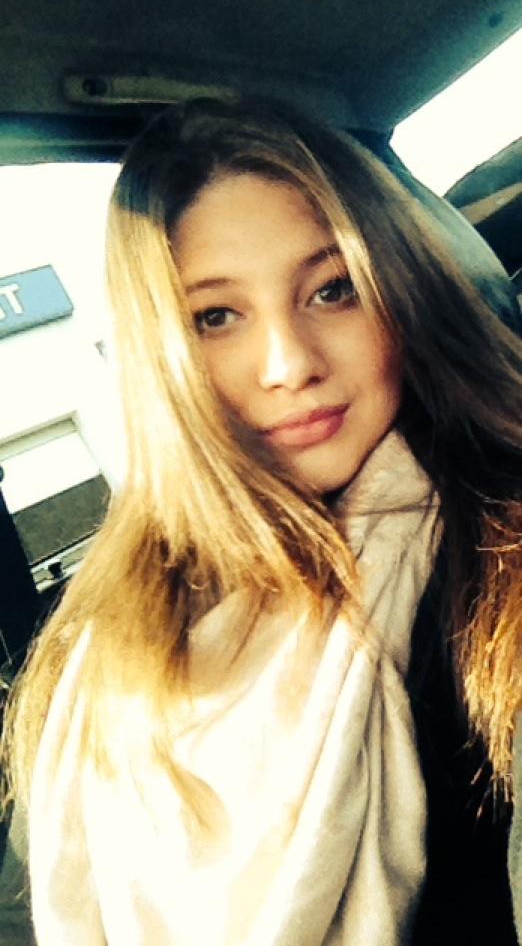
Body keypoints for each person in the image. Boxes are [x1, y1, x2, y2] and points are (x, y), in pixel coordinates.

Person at [1, 96, 521, 946]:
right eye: (216, 317)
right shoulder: (95, 655)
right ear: (160, 353)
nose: (289, 364)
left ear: (399, 290)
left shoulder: (499, 560)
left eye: (332, 290)